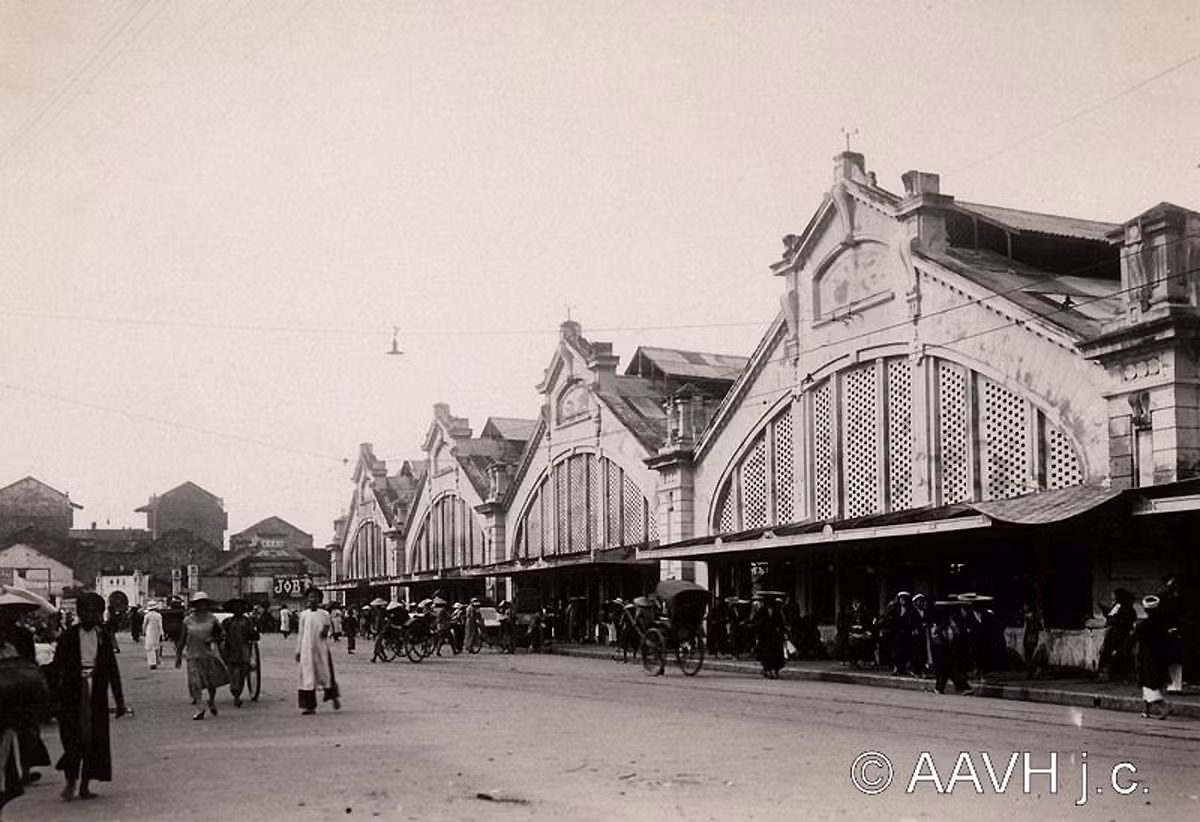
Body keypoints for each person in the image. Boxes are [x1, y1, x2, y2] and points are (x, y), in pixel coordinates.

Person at [50, 592, 127, 801]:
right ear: (79, 612)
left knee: (95, 740)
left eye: (94, 612)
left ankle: (85, 784)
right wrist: (53, 699)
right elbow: (57, 669)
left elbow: (112, 670)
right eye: (85, 611)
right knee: (72, 739)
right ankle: (71, 782)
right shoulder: (67, 637)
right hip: (72, 694)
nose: (89, 615)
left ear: (100, 614)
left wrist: (120, 702)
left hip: (97, 694)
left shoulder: (102, 637)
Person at [0, 609, 51, 792]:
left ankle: (14, 772)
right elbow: (31, 663)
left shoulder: (16, 637)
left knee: (10, 732)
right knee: (26, 729)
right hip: (21, 690)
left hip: (6, 693)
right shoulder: (23, 634)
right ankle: (25, 770)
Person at [174, 592, 230, 720]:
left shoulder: (212, 619)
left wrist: (212, 638)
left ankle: (211, 700)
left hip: (209, 654)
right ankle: (200, 707)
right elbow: (182, 639)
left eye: (204, 603)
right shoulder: (188, 620)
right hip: (193, 655)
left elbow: (222, 635)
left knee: (211, 683)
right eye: (199, 603)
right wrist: (178, 655)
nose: (201, 606)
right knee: (195, 683)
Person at [296, 588, 340, 714]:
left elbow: (328, 629)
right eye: (310, 597)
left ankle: (333, 697)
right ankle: (310, 706)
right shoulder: (303, 615)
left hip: (321, 648)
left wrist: (325, 631)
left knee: (326, 673)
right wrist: (298, 650)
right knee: (307, 677)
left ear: (319, 599)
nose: (312, 600)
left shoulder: (324, 614)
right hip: (306, 649)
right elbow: (301, 633)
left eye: (315, 597)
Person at [1134, 595, 1172, 719]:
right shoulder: (1164, 624)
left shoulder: (1143, 625)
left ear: (1145, 610)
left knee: (1149, 685)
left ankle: (1164, 706)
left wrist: (1117, 652)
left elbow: (1131, 640)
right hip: (1162, 657)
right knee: (1153, 683)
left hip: (1148, 658)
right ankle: (1146, 710)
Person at [930, 601, 973, 695]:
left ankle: (942, 688)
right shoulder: (943, 623)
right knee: (947, 670)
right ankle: (957, 687)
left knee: (948, 671)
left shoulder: (951, 622)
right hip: (944, 649)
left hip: (949, 649)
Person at [222, 599, 259, 708]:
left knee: (242, 673)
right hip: (231, 651)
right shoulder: (227, 622)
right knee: (233, 673)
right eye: (235, 607)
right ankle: (235, 693)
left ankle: (237, 694)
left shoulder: (247, 622)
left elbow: (254, 636)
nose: (237, 609)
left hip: (244, 650)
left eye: (239, 607)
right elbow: (220, 633)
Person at [749, 593, 786, 679]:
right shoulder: (762, 610)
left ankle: (775, 670)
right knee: (766, 654)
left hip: (775, 636)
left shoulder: (777, 611)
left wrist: (780, 630)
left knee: (776, 654)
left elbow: (781, 622)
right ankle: (767, 669)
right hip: (764, 636)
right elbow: (756, 620)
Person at [142, 602, 164, 670]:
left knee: (149, 647)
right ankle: (156, 660)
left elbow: (144, 624)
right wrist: (162, 633)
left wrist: (143, 631)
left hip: (149, 632)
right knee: (156, 647)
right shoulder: (159, 615)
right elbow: (160, 625)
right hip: (156, 632)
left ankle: (152, 663)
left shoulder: (147, 615)